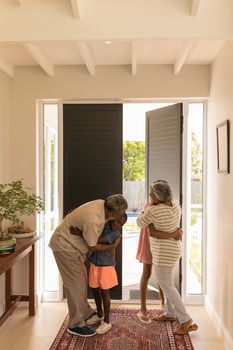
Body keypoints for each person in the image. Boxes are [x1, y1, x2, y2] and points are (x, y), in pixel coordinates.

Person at [49, 194, 128, 337]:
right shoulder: (94, 219)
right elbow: (92, 246)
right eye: (121, 214)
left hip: (73, 247)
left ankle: (84, 312)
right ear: (114, 213)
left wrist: (79, 230)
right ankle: (76, 324)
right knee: (76, 285)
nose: (120, 217)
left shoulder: (101, 204)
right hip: (65, 247)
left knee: (81, 280)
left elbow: (82, 224)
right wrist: (113, 246)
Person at [136, 181, 198, 335]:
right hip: (175, 249)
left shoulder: (153, 211)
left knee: (167, 286)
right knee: (167, 283)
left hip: (163, 253)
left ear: (157, 196)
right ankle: (170, 314)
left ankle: (186, 320)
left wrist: (147, 215)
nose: (149, 195)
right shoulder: (176, 204)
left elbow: (139, 222)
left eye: (151, 193)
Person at [136, 200, 182, 324]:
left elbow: (172, 225)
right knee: (147, 274)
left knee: (163, 279)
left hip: (162, 246)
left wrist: (177, 232)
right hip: (148, 241)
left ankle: (165, 306)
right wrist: (174, 234)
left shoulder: (170, 206)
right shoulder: (150, 207)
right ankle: (143, 308)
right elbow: (151, 230)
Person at [86, 213, 127, 334]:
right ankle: (99, 314)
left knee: (105, 293)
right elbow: (95, 241)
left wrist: (90, 239)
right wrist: (111, 246)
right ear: (113, 217)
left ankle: (107, 321)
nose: (118, 226)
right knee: (94, 290)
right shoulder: (102, 225)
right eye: (117, 222)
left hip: (106, 265)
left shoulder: (116, 233)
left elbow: (98, 241)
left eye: (121, 225)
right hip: (94, 262)